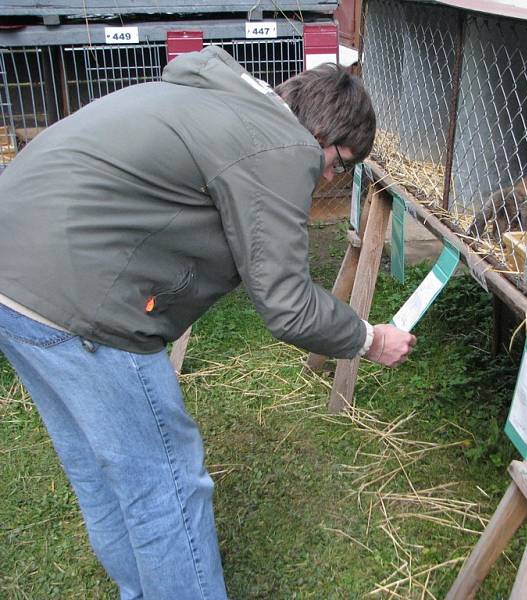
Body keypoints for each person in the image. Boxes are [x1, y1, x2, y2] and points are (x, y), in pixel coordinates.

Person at [0, 46, 415, 600]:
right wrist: (369, 338)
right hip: (83, 302)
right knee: (164, 485)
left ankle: (141, 590)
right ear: (324, 138)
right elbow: (287, 302)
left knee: (100, 468)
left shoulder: (214, 104)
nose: (326, 180)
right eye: (339, 165)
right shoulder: (284, 145)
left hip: (15, 282)